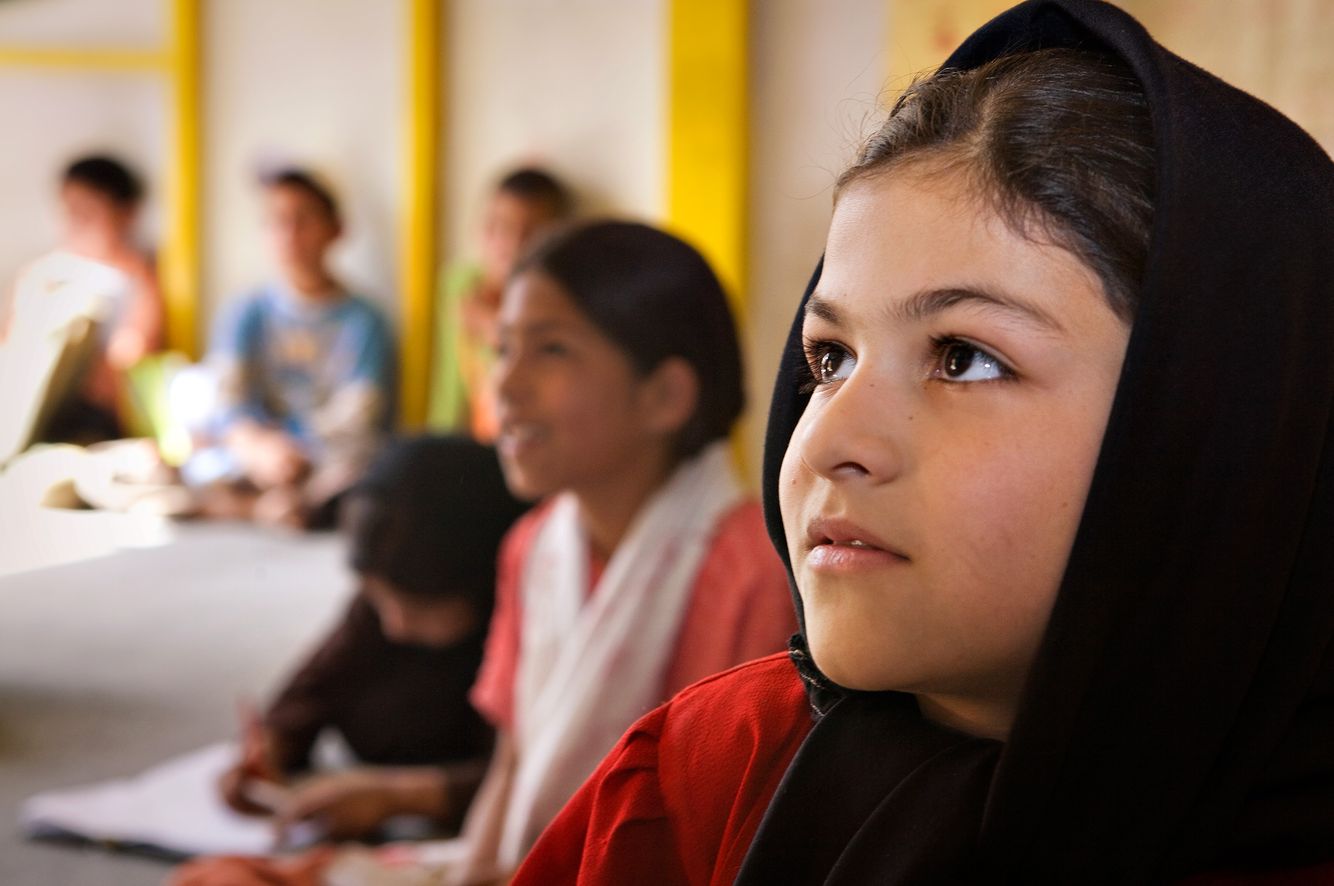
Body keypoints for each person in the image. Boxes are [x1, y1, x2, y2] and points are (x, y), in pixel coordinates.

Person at [511, 2, 1334, 884]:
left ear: (1210, 434)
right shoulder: (708, 773)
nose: (828, 440)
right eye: (828, 358)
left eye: (965, 359)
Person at [172, 221, 796, 885]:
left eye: (551, 350)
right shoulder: (536, 546)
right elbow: (515, 760)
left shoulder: (746, 570)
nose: (505, 385)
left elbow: (719, 839)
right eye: (503, 348)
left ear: (665, 396)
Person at [218, 436, 528, 843]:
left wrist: (399, 797)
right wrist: (268, 749)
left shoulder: (523, 614)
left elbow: (529, 771)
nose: (395, 625)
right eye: (378, 598)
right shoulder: (385, 599)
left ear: (484, 583)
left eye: (419, 607)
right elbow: (314, 687)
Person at [195, 168, 395, 528]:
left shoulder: (367, 321)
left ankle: (262, 507)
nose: (289, 235)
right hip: (255, 458)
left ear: (336, 229)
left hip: (326, 460)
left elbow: (360, 414)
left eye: (302, 220)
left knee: (366, 478)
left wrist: (295, 453)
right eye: (277, 221)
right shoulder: (244, 312)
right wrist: (260, 449)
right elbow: (227, 402)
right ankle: (269, 508)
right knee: (189, 464)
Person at [0, 154, 164, 446]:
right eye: (70, 210)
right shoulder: (44, 272)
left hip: (93, 410)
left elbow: (136, 347)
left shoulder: (135, 275)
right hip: (27, 399)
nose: (76, 222)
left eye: (88, 211)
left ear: (125, 214)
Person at [427, 167, 572, 440]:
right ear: (484, 227)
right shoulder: (461, 286)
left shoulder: (559, 299)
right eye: (501, 226)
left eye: (530, 232)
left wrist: (493, 330)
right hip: (468, 445)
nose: (512, 244)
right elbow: (448, 391)